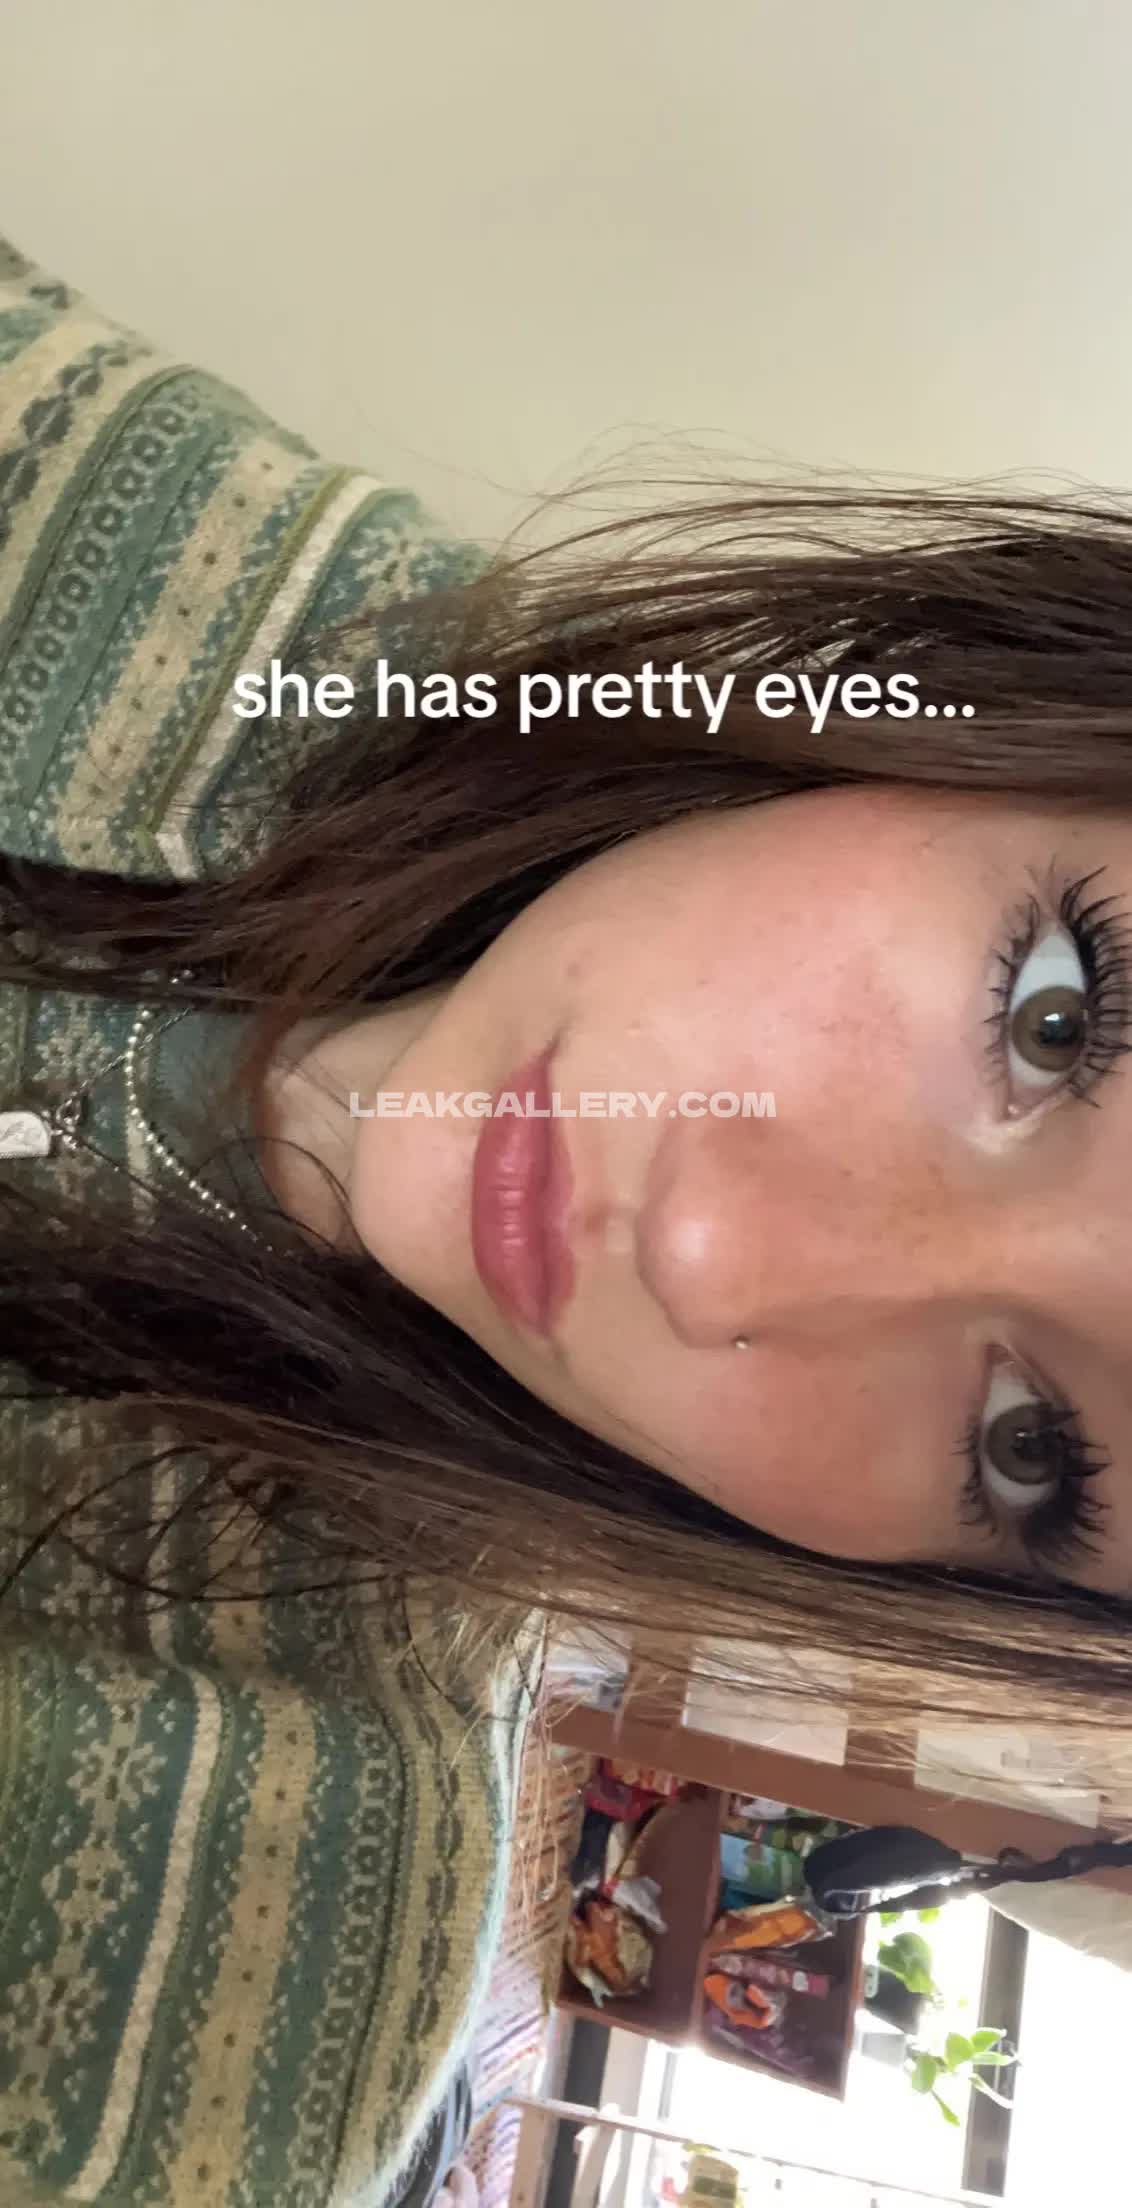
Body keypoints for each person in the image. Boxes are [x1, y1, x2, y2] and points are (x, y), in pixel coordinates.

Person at [4, 230, 1132, 2203]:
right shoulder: (174, 553)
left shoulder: (222, 1973)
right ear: (1014, 704)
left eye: (1024, 1446)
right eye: (1055, 1017)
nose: (716, 1259)